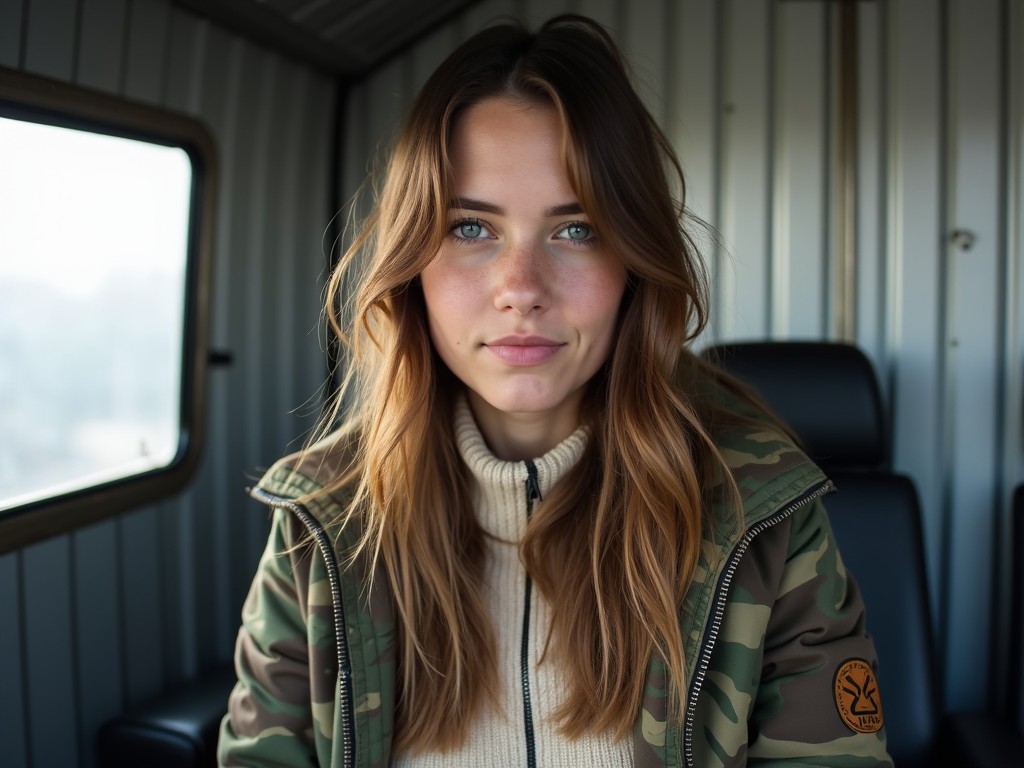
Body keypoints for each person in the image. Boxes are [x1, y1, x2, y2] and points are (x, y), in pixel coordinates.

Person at [218, 14, 892, 768]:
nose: (521, 289)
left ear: (635, 263)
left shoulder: (758, 514)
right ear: (412, 263)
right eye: (470, 228)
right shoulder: (323, 524)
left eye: (577, 231)